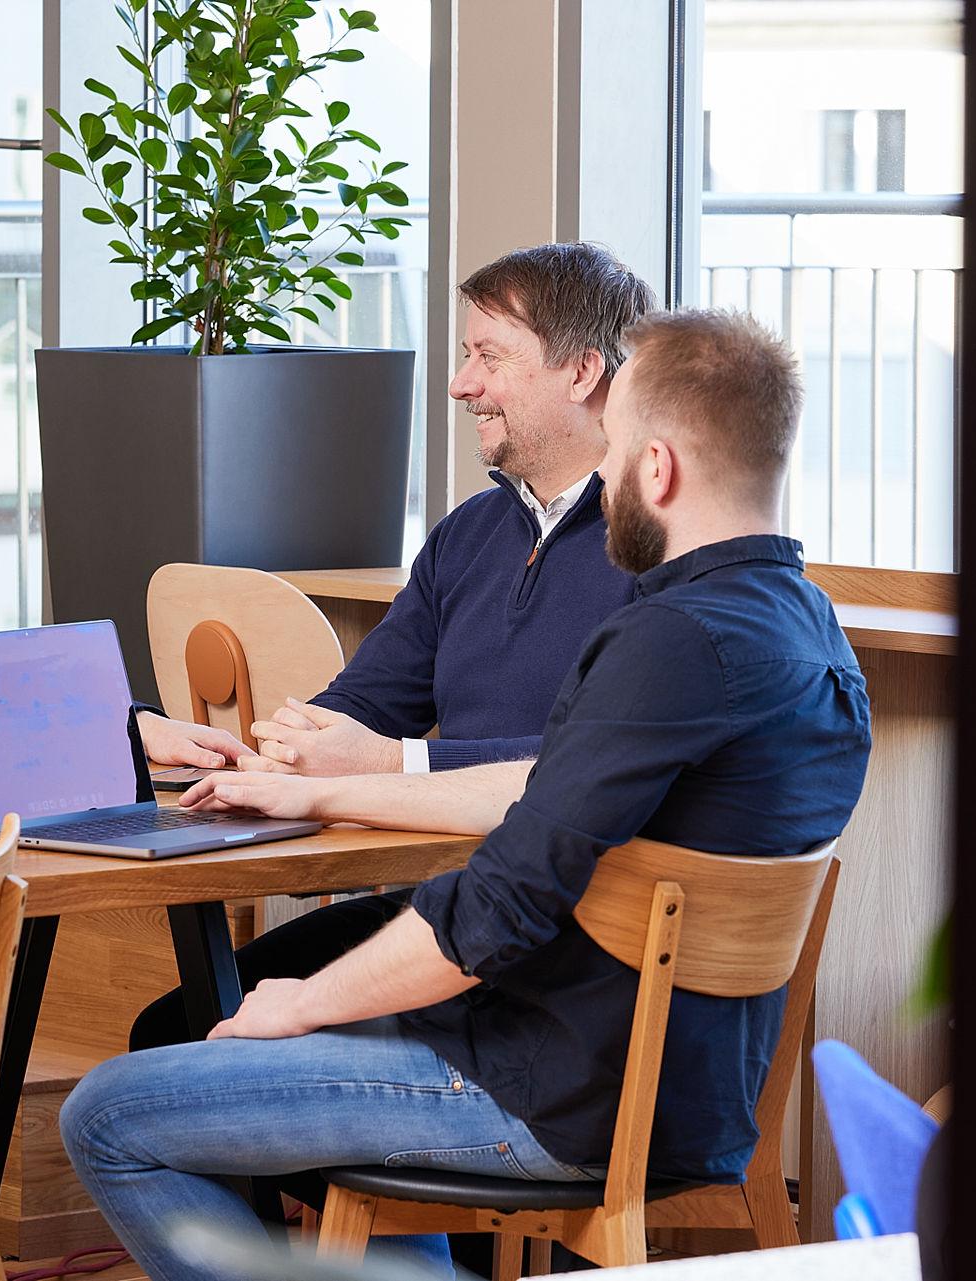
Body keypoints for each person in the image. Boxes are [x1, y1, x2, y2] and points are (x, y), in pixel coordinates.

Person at [60, 308, 874, 1281]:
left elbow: (497, 904)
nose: (606, 476)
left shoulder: (670, 640)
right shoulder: (809, 632)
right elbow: (543, 790)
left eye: (614, 451)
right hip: (690, 1093)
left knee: (109, 1113)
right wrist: (322, 797)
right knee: (350, 1003)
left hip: (553, 1091)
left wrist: (303, 1003)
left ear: (656, 469)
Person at [129, 242, 652, 1049]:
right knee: (174, 1027)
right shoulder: (467, 535)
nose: (461, 383)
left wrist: (386, 763)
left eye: (489, 357)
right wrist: (279, 753)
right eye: (466, 355)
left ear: (583, 372)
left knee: (204, 1044)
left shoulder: (658, 550)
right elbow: (364, 704)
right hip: (443, 908)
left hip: (563, 947)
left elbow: (581, 765)